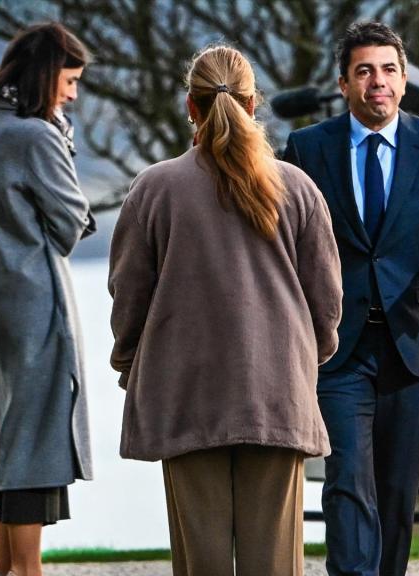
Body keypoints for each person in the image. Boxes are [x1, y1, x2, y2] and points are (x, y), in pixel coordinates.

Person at [109, 45, 342, 576]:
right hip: (276, 392)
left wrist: (130, 363)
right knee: (276, 563)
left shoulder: (154, 189)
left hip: (185, 390)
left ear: (190, 107)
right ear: (254, 102)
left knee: (200, 562)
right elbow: (326, 301)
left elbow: (128, 294)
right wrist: (305, 358)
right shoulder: (298, 188)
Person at [283, 21, 419, 576]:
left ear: (403, 79)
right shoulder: (307, 147)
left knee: (397, 489)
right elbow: (287, 242)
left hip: (412, 343)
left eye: (389, 70)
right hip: (335, 347)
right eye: (365, 71)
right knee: (347, 479)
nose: (379, 82)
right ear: (344, 82)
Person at [0, 22, 95, 576]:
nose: (72, 93)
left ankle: (6, 567)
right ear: (48, 76)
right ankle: (28, 569)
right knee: (35, 433)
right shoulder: (36, 136)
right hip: (34, 298)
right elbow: (73, 220)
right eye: (69, 81)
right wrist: (62, 141)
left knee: (17, 425)